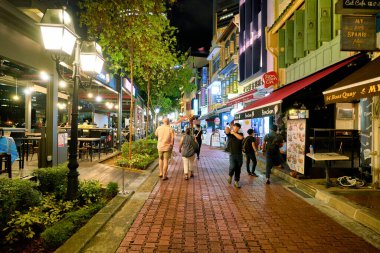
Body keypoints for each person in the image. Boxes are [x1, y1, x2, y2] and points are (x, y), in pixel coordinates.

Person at [225, 122, 244, 188]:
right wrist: (229, 126)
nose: (235, 128)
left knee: (238, 168)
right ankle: (230, 176)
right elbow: (227, 129)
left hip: (239, 154)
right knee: (232, 166)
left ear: (239, 128)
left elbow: (241, 138)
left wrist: (234, 133)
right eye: (234, 126)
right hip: (232, 154)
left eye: (236, 127)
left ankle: (236, 182)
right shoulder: (230, 134)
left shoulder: (240, 134)